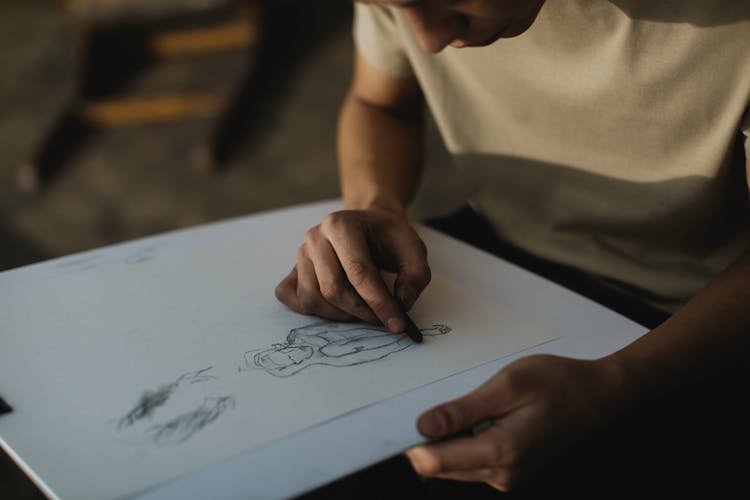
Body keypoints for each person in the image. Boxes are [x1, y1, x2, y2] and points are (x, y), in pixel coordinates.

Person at [276, 0, 750, 496]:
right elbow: (380, 104)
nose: (429, 38)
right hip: (497, 249)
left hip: (695, 319)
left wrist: (614, 382)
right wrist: (376, 206)